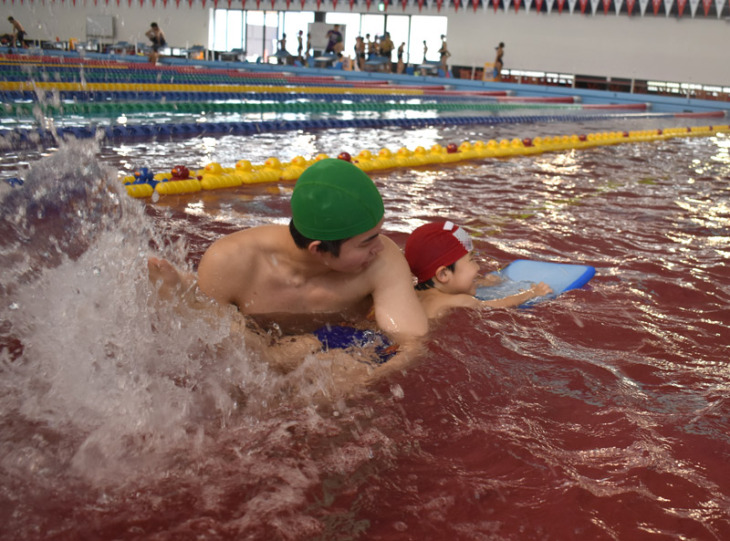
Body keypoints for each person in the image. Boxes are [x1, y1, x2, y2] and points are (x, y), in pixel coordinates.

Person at [149, 159, 429, 376]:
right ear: (318, 249)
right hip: (257, 343)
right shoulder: (231, 262)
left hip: (331, 345)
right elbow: (212, 356)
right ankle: (181, 297)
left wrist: (367, 377)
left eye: (378, 234)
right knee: (233, 336)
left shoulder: (383, 261)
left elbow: (411, 343)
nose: (380, 247)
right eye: (366, 242)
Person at [404, 221, 552, 320]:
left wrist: (482, 283)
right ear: (443, 274)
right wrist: (533, 292)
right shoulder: (460, 301)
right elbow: (500, 304)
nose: (478, 267)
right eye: (472, 260)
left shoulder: (413, 293)